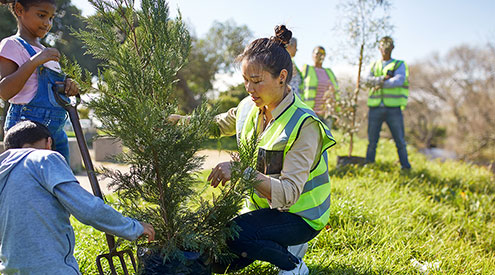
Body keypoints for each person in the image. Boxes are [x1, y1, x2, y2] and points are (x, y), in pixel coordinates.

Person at [203, 25, 336, 275]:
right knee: (217, 253)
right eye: (245, 81)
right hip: (262, 208)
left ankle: (292, 264)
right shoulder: (249, 107)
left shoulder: (304, 124)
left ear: (282, 77)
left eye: (256, 81)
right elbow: (216, 125)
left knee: (237, 236)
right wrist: (175, 123)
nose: (249, 90)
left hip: (300, 216)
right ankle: (268, 240)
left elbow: (288, 194)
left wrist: (241, 172)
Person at [0, 120, 155, 274]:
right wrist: (133, 227)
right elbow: (87, 209)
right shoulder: (44, 159)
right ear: (49, 142)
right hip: (52, 270)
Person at [0, 0, 80, 164]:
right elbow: (5, 91)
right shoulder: (12, 45)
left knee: (59, 182)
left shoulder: (45, 51)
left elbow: (52, 89)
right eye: (42, 15)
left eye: (51, 18)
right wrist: (34, 61)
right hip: (26, 130)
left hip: (56, 132)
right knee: (29, 183)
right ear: (20, 10)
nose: (47, 23)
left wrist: (68, 85)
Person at [364, 36, 411, 169]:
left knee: (400, 140)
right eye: (383, 47)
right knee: (372, 141)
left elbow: (398, 81)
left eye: (388, 47)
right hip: (375, 108)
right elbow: (367, 81)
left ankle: (405, 166)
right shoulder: (374, 65)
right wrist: (383, 79)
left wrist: (378, 82)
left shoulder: (399, 64)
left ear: (392, 48)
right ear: (379, 48)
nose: (385, 50)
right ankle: (369, 165)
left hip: (393, 109)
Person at [300, 46, 339, 128]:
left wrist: (337, 110)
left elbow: (336, 91)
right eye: (317, 53)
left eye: (323, 54)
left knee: (326, 139)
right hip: (311, 113)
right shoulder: (307, 69)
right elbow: (299, 87)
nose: (320, 56)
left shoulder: (329, 72)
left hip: (327, 114)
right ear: (312, 55)